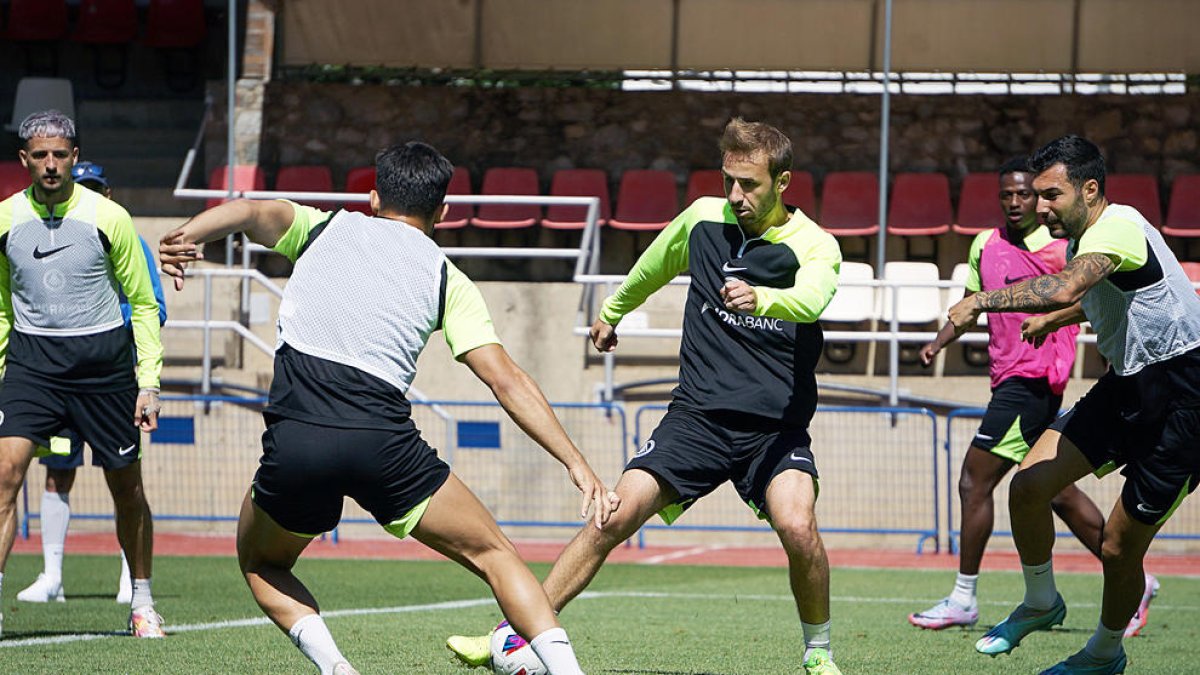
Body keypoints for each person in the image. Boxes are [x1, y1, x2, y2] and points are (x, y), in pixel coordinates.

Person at [158, 141, 617, 675]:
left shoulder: (321, 228)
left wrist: (189, 233)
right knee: (497, 556)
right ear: (442, 213)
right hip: (384, 445)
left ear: (372, 198)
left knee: (262, 562)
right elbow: (506, 379)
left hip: (298, 440)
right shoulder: (448, 278)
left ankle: (336, 668)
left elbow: (250, 209)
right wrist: (575, 461)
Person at [447, 118, 845, 675]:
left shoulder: (816, 245)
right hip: (697, 420)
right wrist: (612, 312)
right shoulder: (704, 219)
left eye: (749, 184)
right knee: (611, 516)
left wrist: (764, 299)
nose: (735, 195)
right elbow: (652, 265)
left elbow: (814, 297)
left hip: (774, 429)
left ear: (782, 182)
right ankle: (511, 636)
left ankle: (818, 651)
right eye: (728, 180)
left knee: (798, 527)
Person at [947, 134, 1200, 674]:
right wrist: (1056, 319)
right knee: (1030, 484)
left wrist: (981, 301)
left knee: (1116, 546)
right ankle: (1042, 601)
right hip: (1127, 387)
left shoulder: (1118, 227)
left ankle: (1105, 653)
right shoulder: (1082, 238)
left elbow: (1066, 288)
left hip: (1185, 400)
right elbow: (1097, 296)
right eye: (1037, 195)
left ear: (1089, 189)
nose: (1040, 207)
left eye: (1051, 195)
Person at [909, 158, 1158, 637]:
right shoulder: (986, 243)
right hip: (1006, 377)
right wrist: (938, 343)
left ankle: (964, 597)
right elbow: (968, 303)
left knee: (973, 481)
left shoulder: (1063, 245)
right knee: (1053, 490)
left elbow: (1087, 297)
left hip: (1035, 379)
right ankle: (1138, 579)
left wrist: (1052, 321)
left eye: (1029, 194)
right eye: (1009, 195)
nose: (1020, 203)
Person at [0, 110, 165, 638]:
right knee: (5, 476)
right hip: (31, 365)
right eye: (41, 155)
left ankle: (141, 602)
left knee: (126, 488)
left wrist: (149, 381)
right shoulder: (4, 220)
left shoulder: (109, 217)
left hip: (104, 369)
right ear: (24, 159)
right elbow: (3, 304)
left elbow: (141, 303)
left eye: (60, 154)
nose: (51, 164)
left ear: (74, 156)